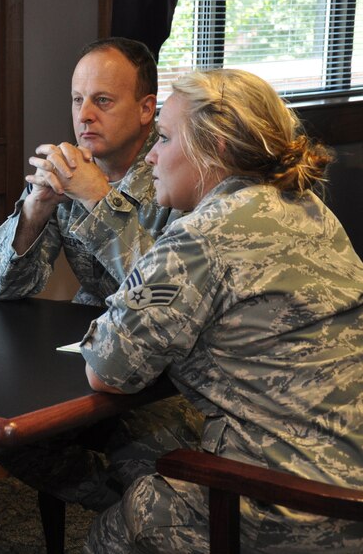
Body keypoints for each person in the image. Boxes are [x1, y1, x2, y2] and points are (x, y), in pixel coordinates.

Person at [82, 68, 363, 553]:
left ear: (215, 150)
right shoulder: (310, 209)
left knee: (122, 522)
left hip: (287, 509)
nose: (150, 156)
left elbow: (106, 370)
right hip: (350, 488)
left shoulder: (203, 235)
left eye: (165, 138)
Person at [0, 37, 202, 513]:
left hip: (168, 373)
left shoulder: (180, 177)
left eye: (102, 101)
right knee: (8, 435)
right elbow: (1, 287)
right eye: (77, 100)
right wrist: (36, 210)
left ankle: (146, 512)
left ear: (147, 110)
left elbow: (164, 293)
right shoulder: (71, 170)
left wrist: (100, 199)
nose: (84, 116)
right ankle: (121, 510)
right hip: (89, 357)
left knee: (141, 450)